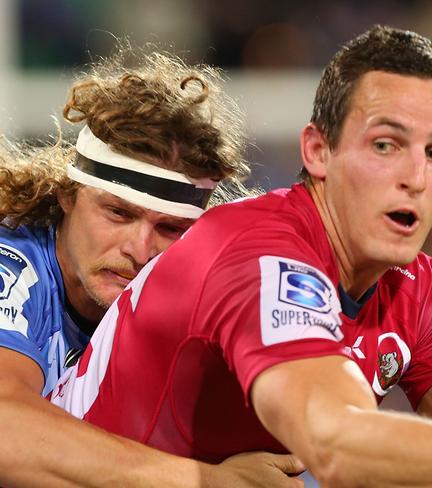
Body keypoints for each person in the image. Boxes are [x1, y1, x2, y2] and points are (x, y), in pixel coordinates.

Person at [52, 26, 432, 487]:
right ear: (318, 150)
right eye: (386, 145)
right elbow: (333, 441)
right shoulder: (258, 258)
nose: (414, 176)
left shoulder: (421, 290)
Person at [0, 47, 305, 487]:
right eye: (118, 214)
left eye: (170, 227)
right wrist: (206, 481)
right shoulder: (13, 265)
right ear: (67, 196)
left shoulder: (197, 290)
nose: (139, 250)